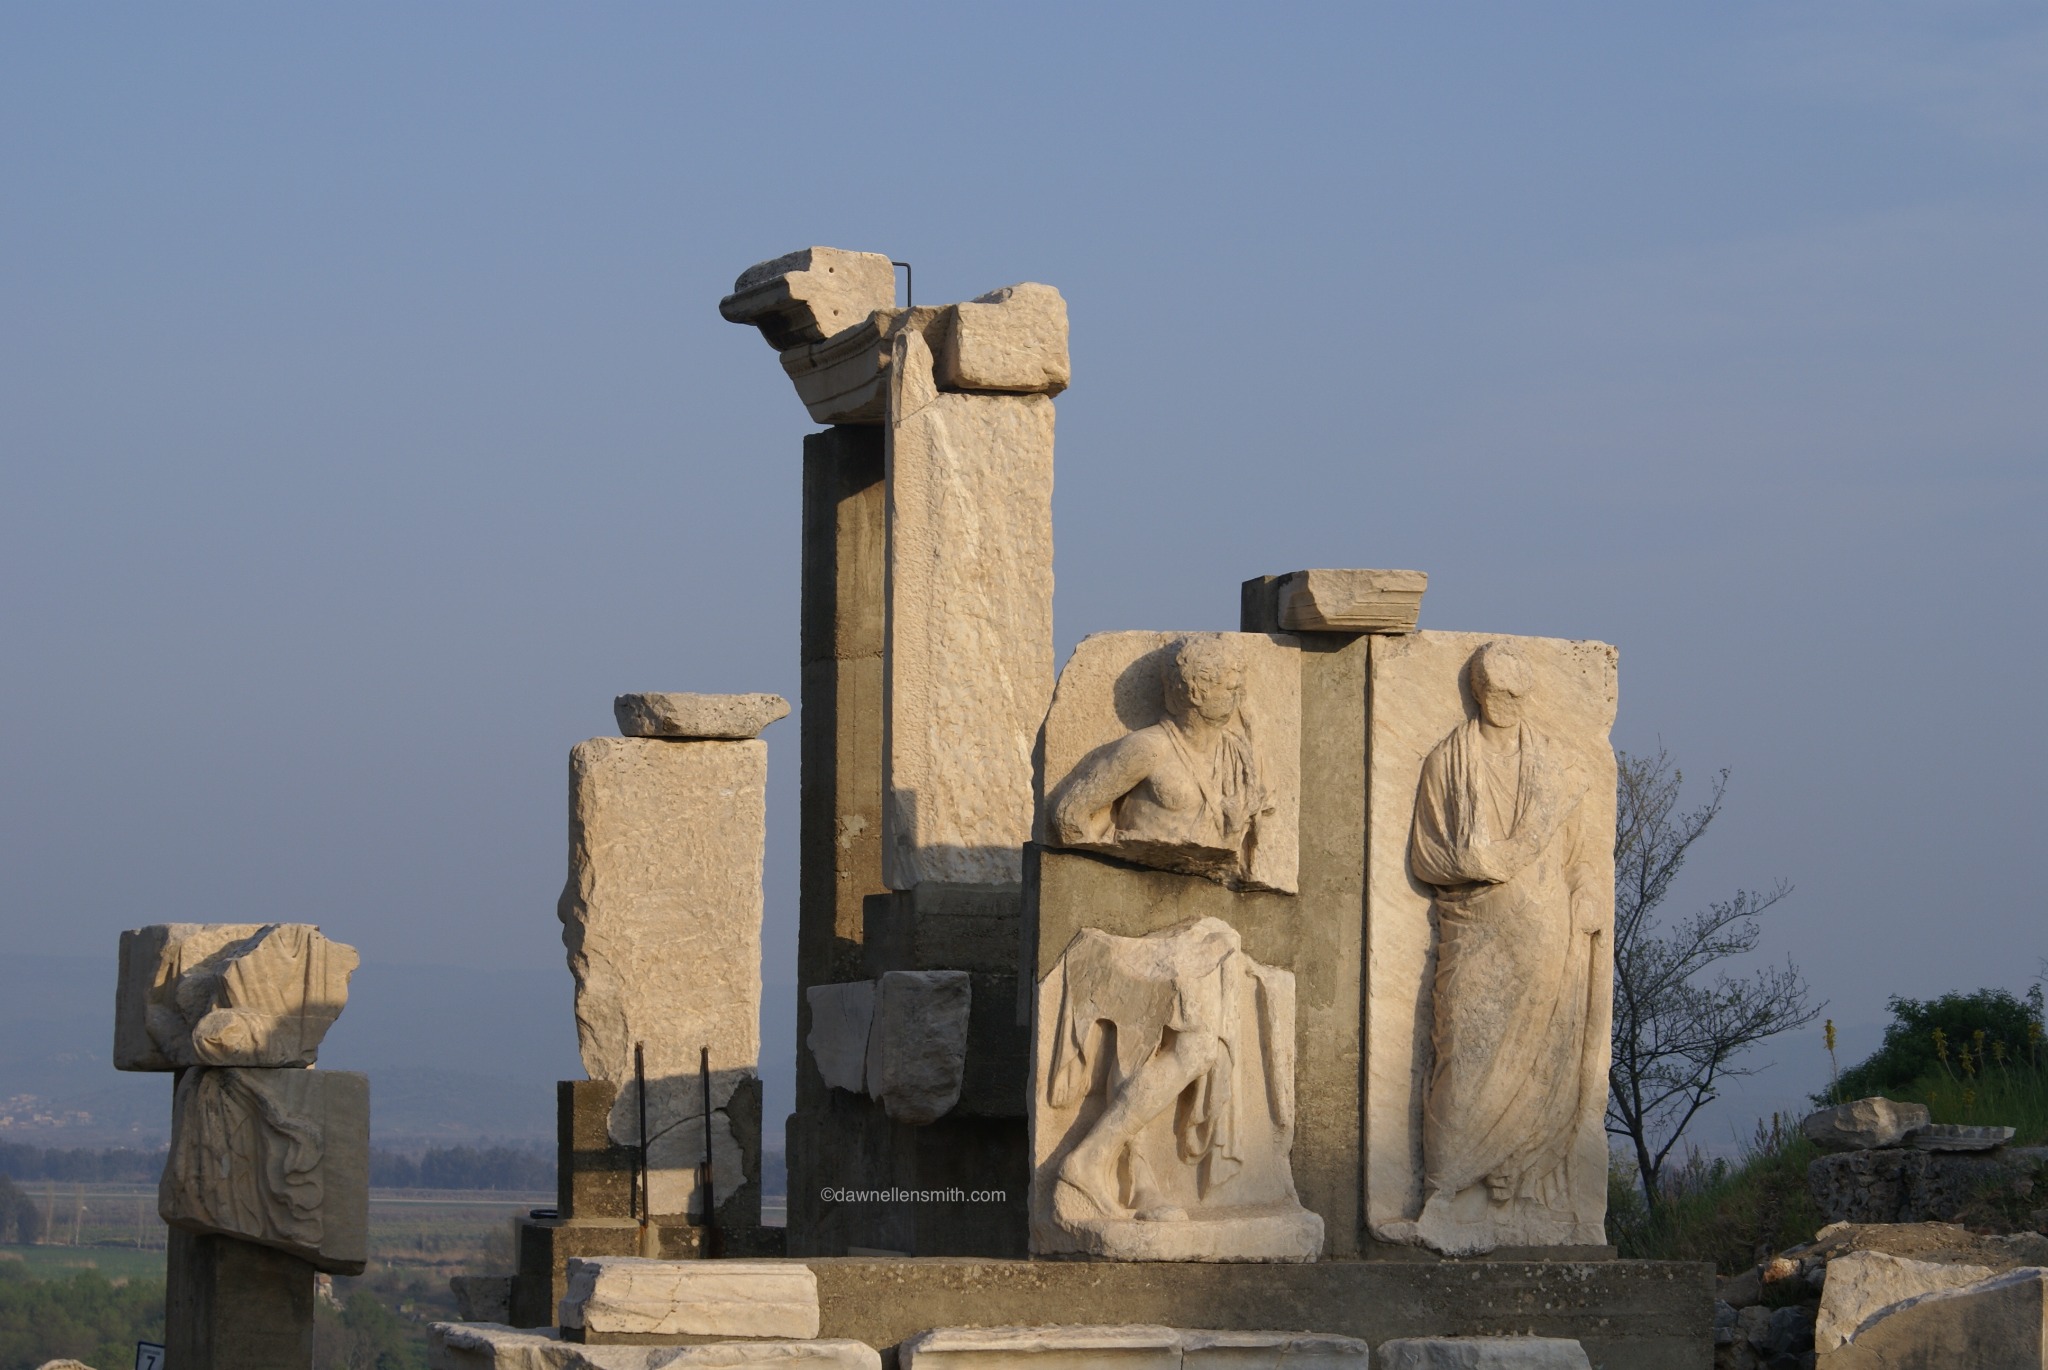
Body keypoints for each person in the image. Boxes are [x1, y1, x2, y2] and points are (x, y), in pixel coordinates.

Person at [1407, 641, 1604, 1246]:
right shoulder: (1448, 761)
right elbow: (1426, 855)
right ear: (1477, 692)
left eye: (1518, 694)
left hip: (1546, 932)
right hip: (1476, 927)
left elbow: (1583, 852)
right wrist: (1474, 861)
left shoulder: (1558, 766)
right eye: (1497, 693)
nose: (1508, 705)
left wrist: (1588, 892)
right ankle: (1445, 1190)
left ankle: (1519, 1196)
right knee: (1461, 1055)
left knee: (1544, 1064)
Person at [1048, 635, 1269, 882]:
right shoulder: (1149, 749)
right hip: (1138, 886)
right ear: (1195, 691)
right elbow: (1070, 814)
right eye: (1230, 689)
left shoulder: (1240, 754)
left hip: (1213, 887)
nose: (1238, 698)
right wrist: (1100, 875)